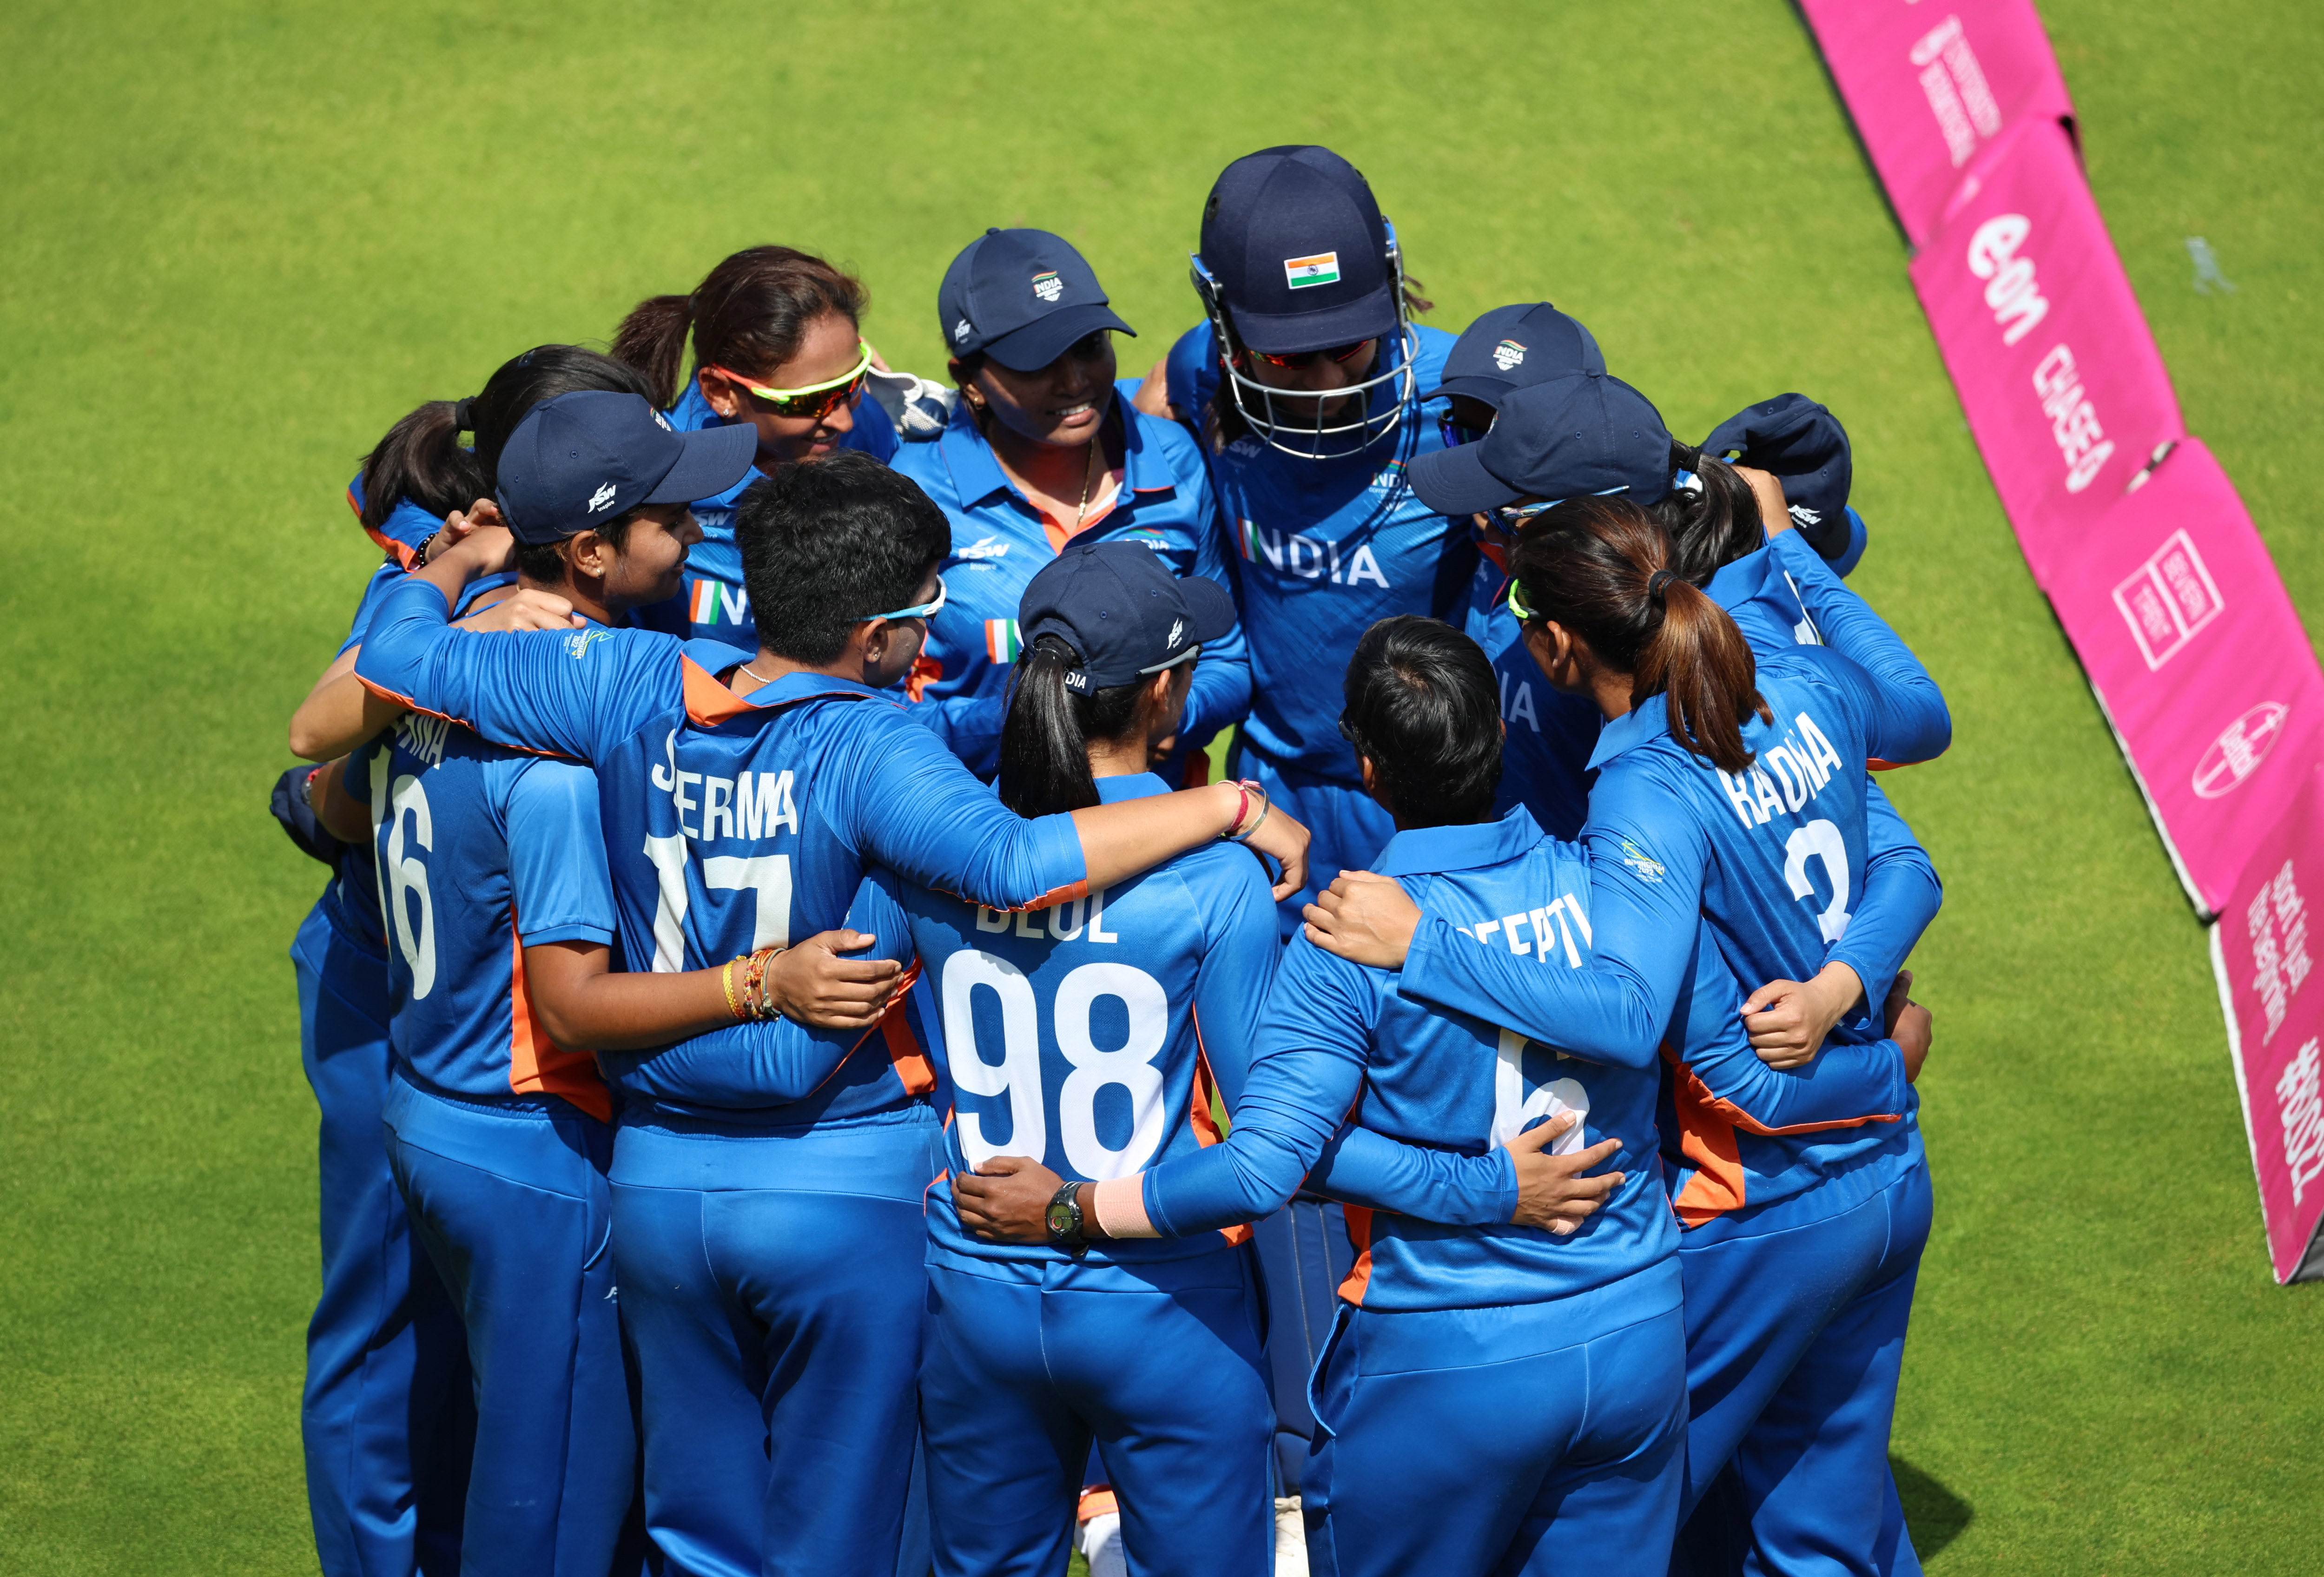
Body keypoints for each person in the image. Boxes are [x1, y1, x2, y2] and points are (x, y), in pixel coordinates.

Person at [351, 418, 1310, 1577]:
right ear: (882, 634)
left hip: (657, 1189)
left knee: (696, 1543)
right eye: (924, 610)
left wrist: (436, 566)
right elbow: (1012, 862)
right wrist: (1230, 809)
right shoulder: (873, 743)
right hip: (839, 1191)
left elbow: (397, 661)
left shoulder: (622, 678)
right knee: (849, 1545)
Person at [956, 615, 1935, 1574]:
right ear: (1500, 734)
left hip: (1441, 1365)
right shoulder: (1615, 892)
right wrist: (1879, 1060)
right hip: (1635, 1342)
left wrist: (1066, 1208)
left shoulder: (1341, 942)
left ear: (1367, 768)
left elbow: (1267, 1162)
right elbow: (1733, 1062)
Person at [1304, 487, 1950, 1576]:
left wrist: (1423, 941)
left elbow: (1636, 1015)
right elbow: (1911, 810)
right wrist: (1852, 998)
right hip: (1888, 1183)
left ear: (1556, 642)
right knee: (1820, 1528)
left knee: (1592, 1507)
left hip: (1765, 1205)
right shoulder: (1790, 680)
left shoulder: (1642, 789)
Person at [272, 345, 660, 1577]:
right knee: (389, 1336)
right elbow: (316, 792)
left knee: (492, 1353)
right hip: (407, 1000)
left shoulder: (441, 603)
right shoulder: (454, 612)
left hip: (454, 1020)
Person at [856, 542, 1278, 1577]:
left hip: (977, 1286)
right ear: (1168, 691)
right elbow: (1269, 1117)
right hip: (1162, 1298)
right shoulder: (1216, 877)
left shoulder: (941, 843)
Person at [1136, 144, 1469, 929]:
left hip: (1436, 802)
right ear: (1225, 326)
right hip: (1272, 802)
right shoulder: (1196, 379)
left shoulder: (1466, 404)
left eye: (1350, 345)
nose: (1330, 383)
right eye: (1288, 356)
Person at [891, 229, 1248, 782]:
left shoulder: (1175, 461)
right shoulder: (912, 494)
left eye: (1089, 346)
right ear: (970, 381)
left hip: (1161, 838)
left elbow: (1226, 660)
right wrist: (1049, 724)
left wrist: (1166, 721)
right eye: (1037, 362)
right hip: (984, 843)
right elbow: (880, 709)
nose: (1076, 381)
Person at [612, 245, 921, 645]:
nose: (843, 420)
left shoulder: (865, 425)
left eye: (851, 383)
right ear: (721, 392)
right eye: (811, 400)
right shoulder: (644, 478)